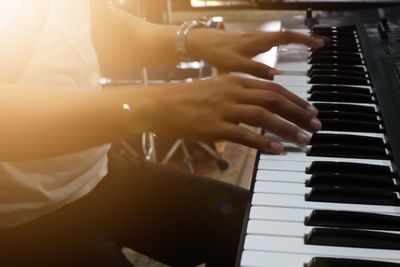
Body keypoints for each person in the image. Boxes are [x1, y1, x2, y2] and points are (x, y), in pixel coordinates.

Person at [0, 0, 324, 266]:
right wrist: (152, 107)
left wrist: (192, 40)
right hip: (24, 224)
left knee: (275, 233)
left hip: (101, 170)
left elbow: (92, 24)